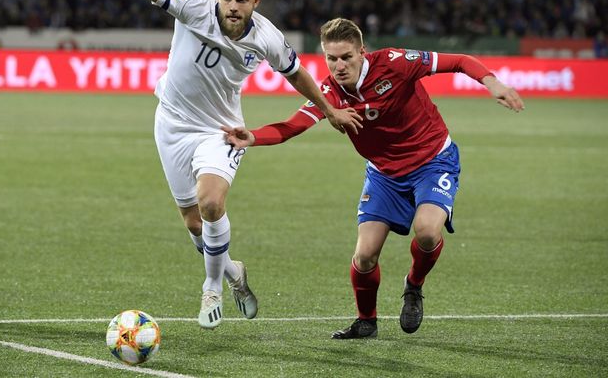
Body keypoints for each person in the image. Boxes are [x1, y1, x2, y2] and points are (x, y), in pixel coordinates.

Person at [68, 0, 362, 330]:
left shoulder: (267, 37)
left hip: (220, 131)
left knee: (210, 202)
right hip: (172, 124)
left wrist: (330, 110)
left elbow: (298, 75)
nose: (233, 6)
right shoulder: (194, 8)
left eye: (242, 0)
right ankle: (232, 271)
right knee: (193, 222)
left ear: (255, 2)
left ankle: (211, 287)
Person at [224, 18, 524, 338]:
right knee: (365, 256)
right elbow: (291, 126)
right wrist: (252, 137)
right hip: (384, 174)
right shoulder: (328, 93)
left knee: (426, 232)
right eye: (331, 58)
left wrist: (494, 83)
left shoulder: (396, 63)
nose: (339, 66)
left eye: (346, 57)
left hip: (433, 162)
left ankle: (413, 286)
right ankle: (366, 321)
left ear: (362, 52)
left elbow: (460, 61)